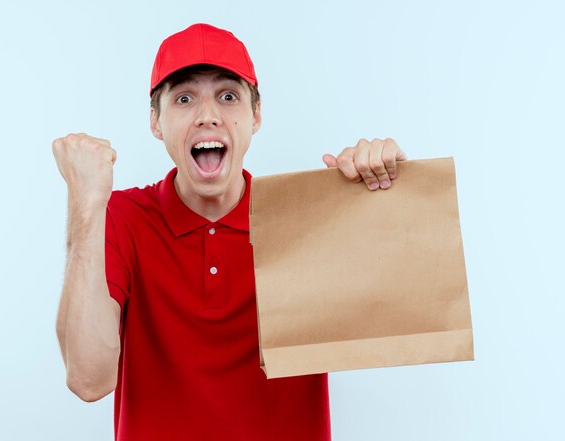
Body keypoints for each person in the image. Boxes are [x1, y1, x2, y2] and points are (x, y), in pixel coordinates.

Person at [52, 23, 407, 440]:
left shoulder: (303, 217)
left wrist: (387, 189)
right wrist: (85, 204)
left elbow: (399, 314)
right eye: (184, 98)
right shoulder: (121, 218)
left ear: (255, 115)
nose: (207, 116)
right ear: (156, 122)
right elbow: (88, 379)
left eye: (228, 96)